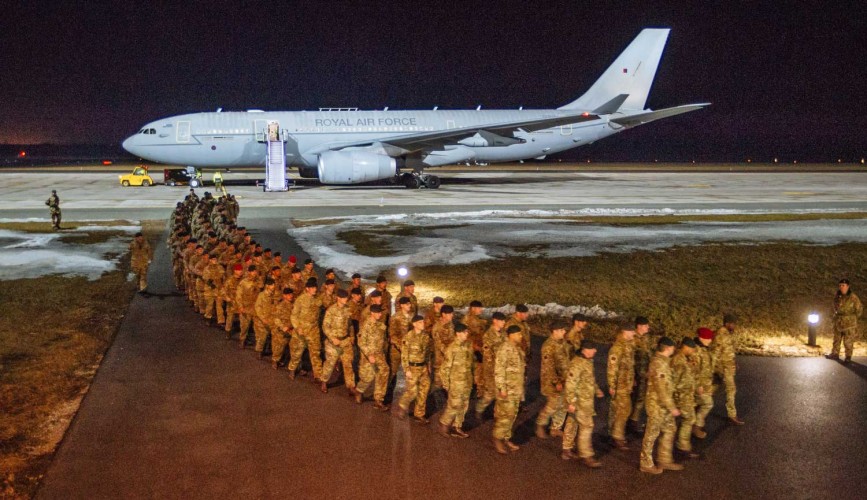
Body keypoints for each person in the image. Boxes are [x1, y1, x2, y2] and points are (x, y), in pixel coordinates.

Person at [562, 340, 605, 467]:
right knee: (587, 426)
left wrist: (597, 390)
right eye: (592, 348)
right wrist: (571, 401)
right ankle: (586, 455)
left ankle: (566, 450)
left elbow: (589, 379)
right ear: (584, 350)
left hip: (583, 400)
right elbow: (570, 384)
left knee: (572, 423)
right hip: (580, 402)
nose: (595, 350)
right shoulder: (577, 364)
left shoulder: (587, 361)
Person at [492, 324, 526, 454]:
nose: (520, 336)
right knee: (505, 415)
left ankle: (506, 438)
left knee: (512, 414)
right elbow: (499, 370)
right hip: (507, 389)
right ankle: (498, 438)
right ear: (511, 335)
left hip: (515, 389)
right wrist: (502, 388)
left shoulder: (516, 348)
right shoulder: (505, 349)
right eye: (518, 334)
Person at [438, 323, 474, 438]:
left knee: (464, 405)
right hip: (455, 383)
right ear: (458, 333)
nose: (467, 333)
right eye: (465, 332)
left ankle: (457, 426)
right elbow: (444, 369)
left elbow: (471, 364)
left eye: (467, 331)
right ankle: (444, 424)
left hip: (467, 381)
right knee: (454, 405)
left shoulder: (468, 345)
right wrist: (446, 384)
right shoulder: (452, 348)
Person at [536, 322, 571, 440]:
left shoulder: (563, 343)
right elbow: (548, 367)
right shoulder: (548, 346)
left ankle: (555, 428)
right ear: (554, 331)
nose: (564, 332)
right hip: (552, 382)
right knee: (553, 404)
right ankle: (540, 424)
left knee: (563, 405)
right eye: (561, 330)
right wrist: (556, 382)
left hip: (564, 379)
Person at [396, 315, 432, 423]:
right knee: (412, 391)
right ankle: (402, 405)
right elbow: (404, 355)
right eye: (420, 322)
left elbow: (428, 352)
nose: (423, 324)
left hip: (423, 368)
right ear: (414, 324)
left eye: (423, 322)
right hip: (413, 367)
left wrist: (428, 365)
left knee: (424, 390)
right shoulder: (408, 337)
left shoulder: (426, 336)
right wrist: (406, 370)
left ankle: (419, 414)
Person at [287, 279, 325, 381]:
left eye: (315, 287)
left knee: (315, 353)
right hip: (302, 331)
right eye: (312, 288)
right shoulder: (300, 300)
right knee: (297, 353)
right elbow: (293, 316)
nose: (314, 289)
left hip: (314, 331)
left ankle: (318, 376)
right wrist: (297, 327)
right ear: (307, 289)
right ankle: (292, 369)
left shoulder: (318, 299)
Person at [320, 289, 356, 394]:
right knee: (330, 364)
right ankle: (324, 381)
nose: (346, 300)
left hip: (345, 341)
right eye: (344, 298)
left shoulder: (348, 309)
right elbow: (325, 326)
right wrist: (332, 338)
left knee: (348, 364)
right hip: (333, 342)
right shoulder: (331, 310)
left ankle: (351, 386)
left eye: (346, 298)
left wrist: (352, 336)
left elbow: (350, 325)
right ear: (338, 298)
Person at [607, 322, 636, 450]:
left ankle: (613, 434)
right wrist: (612, 385)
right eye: (631, 331)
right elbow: (612, 369)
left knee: (620, 410)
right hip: (620, 385)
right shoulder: (617, 348)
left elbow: (629, 366)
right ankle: (617, 436)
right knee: (624, 410)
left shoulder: (628, 345)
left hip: (626, 383)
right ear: (624, 332)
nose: (633, 333)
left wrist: (632, 379)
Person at [356, 305, 390, 410]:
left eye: (381, 312)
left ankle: (378, 399)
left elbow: (383, 340)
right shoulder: (366, 325)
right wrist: (369, 355)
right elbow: (361, 342)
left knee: (384, 372)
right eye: (378, 313)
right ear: (372, 313)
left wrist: (384, 352)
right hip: (368, 355)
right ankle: (359, 390)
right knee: (368, 377)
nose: (380, 314)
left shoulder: (381, 325)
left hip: (379, 354)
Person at [712, 313, 744, 425]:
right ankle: (732, 415)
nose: (734, 326)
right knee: (731, 389)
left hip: (728, 366)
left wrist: (734, 361)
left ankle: (698, 403)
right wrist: (714, 368)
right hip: (723, 368)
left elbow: (728, 350)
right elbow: (715, 353)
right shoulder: (720, 335)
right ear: (727, 324)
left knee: (713, 388)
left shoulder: (727, 334)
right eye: (733, 324)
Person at [671, 338, 700, 459]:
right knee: (689, 419)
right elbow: (674, 381)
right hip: (682, 396)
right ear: (686, 347)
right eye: (692, 349)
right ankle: (682, 446)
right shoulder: (678, 360)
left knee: (687, 419)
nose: (693, 351)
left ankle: (682, 445)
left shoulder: (684, 358)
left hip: (686, 395)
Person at [475, 312, 507, 418]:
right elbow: (488, 356)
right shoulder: (488, 336)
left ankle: (498, 415)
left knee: (501, 394)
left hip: (501, 369)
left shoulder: (503, 333)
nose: (504, 322)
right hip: (491, 369)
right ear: (495, 321)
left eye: (504, 320)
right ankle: (480, 408)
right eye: (501, 320)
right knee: (491, 394)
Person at [830, 278, 863, 363]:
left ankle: (848, 356)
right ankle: (835, 353)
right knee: (836, 339)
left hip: (849, 323)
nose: (841, 287)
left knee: (848, 340)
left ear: (848, 286)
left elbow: (859, 310)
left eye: (843, 285)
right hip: (839, 321)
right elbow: (834, 306)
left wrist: (852, 319)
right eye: (840, 285)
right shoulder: (837, 296)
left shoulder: (853, 297)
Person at [629, 316, 652, 433]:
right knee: (636, 398)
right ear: (639, 326)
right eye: (645, 325)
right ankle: (631, 422)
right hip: (637, 373)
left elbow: (648, 354)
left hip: (644, 372)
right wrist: (632, 376)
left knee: (641, 398)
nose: (648, 327)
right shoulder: (632, 339)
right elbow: (630, 359)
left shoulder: (645, 338)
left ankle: (633, 420)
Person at [692, 328, 715, 438]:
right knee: (708, 404)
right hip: (700, 384)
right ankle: (697, 426)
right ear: (702, 338)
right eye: (708, 338)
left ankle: (695, 424)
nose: (710, 340)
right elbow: (694, 369)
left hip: (706, 383)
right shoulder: (697, 351)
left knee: (699, 404)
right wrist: (698, 385)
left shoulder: (704, 349)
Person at [234, 266, 261, 349]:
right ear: (249, 272)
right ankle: (242, 340)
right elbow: (239, 295)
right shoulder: (243, 282)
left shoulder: (258, 281)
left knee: (257, 327)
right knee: (244, 326)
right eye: (253, 271)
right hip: (246, 307)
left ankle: (259, 346)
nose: (255, 273)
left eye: (255, 271)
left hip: (256, 307)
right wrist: (240, 306)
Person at [388, 297, 413, 380]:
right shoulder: (395, 317)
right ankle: (388, 391)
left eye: (410, 303)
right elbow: (392, 335)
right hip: (396, 350)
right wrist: (401, 346)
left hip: (408, 348)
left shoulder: (411, 316)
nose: (409, 305)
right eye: (407, 304)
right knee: (392, 372)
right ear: (402, 305)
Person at [270, 288, 295, 369]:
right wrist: (282, 327)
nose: (291, 296)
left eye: (291, 294)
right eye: (288, 295)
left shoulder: (294, 305)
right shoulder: (280, 306)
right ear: (284, 296)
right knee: (279, 348)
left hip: (292, 329)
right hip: (282, 331)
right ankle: (275, 360)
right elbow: (276, 318)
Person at [431, 305, 455, 388]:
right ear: (443, 314)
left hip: (449, 358)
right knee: (438, 384)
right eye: (450, 314)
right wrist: (449, 353)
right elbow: (439, 344)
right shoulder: (437, 327)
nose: (452, 315)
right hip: (440, 360)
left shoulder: (450, 324)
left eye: (452, 313)